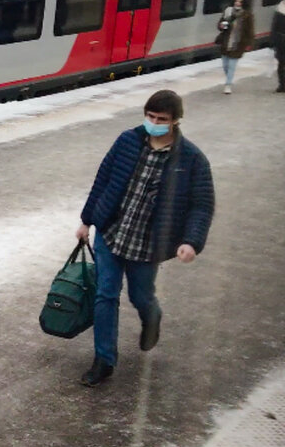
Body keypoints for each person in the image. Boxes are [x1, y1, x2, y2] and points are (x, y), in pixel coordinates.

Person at [75, 90, 215, 387]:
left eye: (161, 119)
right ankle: (104, 360)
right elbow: (103, 179)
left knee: (140, 295)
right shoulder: (127, 141)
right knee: (105, 295)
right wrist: (87, 220)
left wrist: (191, 241)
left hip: (148, 243)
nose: (153, 123)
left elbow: (201, 205)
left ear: (176, 121)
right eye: (150, 116)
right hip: (112, 233)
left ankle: (151, 318)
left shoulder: (191, 159)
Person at [216, 0, 255, 95]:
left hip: (238, 44)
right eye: (236, 1)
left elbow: (250, 30)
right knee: (225, 65)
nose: (237, 3)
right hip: (226, 42)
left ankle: (228, 85)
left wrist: (249, 43)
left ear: (243, 4)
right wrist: (222, 25)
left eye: (240, 2)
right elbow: (220, 25)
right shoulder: (228, 12)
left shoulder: (247, 15)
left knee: (232, 65)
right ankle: (229, 78)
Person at [272, 0, 285, 93]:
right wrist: (275, 42)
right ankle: (282, 84)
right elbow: (275, 28)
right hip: (281, 41)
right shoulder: (279, 11)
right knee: (281, 64)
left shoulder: (278, 11)